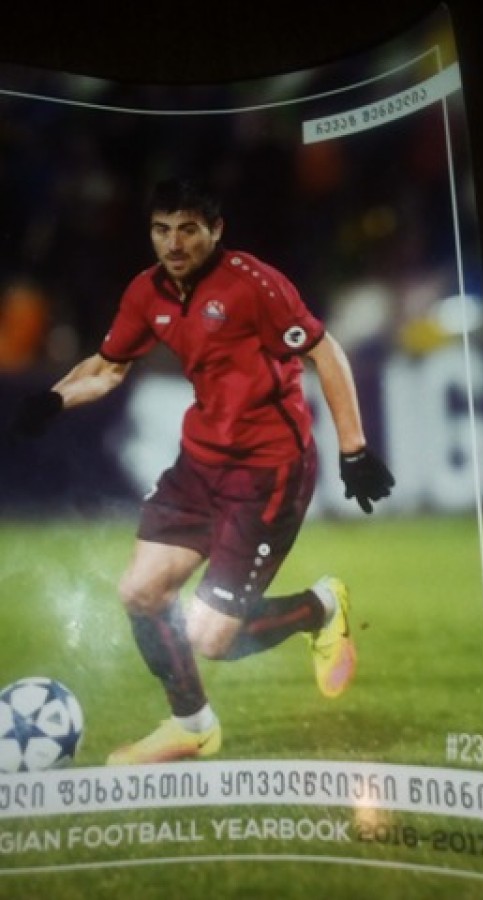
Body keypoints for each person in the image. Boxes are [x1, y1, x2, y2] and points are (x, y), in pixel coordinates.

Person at [14, 176, 394, 765]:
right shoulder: (147, 292)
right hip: (199, 465)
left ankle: (320, 606)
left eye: (188, 229)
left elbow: (324, 350)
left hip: (268, 473)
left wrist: (354, 450)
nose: (174, 243)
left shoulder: (254, 285)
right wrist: (54, 399)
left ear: (216, 231)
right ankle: (192, 727)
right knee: (141, 592)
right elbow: (108, 368)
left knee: (212, 639)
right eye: (162, 230)